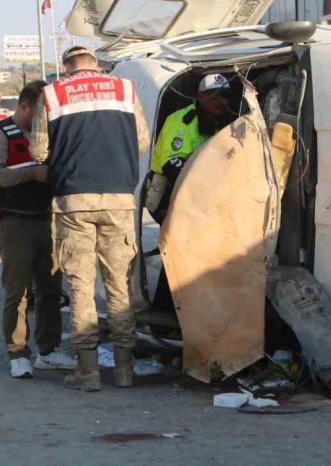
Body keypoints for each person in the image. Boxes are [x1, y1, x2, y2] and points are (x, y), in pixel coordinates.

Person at [32, 46, 149, 391]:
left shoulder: (52, 94)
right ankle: (126, 370)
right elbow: (141, 139)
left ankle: (88, 371)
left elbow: (40, 151)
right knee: (119, 286)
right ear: (96, 66)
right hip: (118, 198)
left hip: (74, 200)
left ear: (66, 68)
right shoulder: (125, 89)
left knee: (81, 286)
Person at [0, 80, 73, 378]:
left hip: (48, 219)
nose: (45, 119)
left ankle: (48, 350)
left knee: (50, 289)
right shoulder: (0, 134)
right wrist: (33, 173)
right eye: (40, 112)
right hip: (14, 221)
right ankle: (17, 352)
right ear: (24, 106)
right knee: (17, 291)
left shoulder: (52, 136)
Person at [147, 73, 231, 224]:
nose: (222, 101)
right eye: (216, 95)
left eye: (225, 96)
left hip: (195, 191)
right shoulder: (182, 121)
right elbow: (171, 164)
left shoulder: (219, 124)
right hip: (166, 190)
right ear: (200, 96)